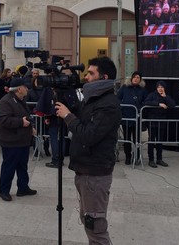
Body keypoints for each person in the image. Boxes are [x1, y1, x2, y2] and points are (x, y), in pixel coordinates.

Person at [55, 56, 122, 245]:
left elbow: (88, 135)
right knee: (88, 222)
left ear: (104, 77)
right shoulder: (92, 99)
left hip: (95, 174)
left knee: (95, 227)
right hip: (85, 170)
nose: (87, 77)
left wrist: (68, 116)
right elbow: (82, 121)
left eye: (91, 73)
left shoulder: (108, 104)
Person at [0, 77, 37, 202]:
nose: (27, 90)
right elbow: (3, 120)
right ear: (19, 89)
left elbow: (26, 116)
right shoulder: (6, 101)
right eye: (25, 87)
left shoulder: (20, 100)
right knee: (9, 167)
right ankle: (4, 191)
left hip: (23, 140)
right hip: (11, 141)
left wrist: (31, 127)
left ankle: (23, 187)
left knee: (22, 166)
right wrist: (21, 122)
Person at [143, 81, 176, 168]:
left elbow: (172, 104)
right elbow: (146, 102)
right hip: (152, 121)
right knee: (151, 141)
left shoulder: (166, 96)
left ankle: (159, 159)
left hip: (161, 121)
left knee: (159, 141)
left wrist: (165, 97)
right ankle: (151, 160)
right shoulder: (152, 95)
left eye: (162, 87)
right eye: (158, 87)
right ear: (156, 88)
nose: (160, 89)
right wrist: (158, 104)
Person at [117, 71, 147, 165]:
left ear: (140, 79)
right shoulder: (124, 88)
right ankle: (128, 157)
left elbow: (146, 101)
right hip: (126, 117)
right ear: (131, 78)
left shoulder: (142, 90)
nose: (136, 78)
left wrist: (140, 108)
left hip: (137, 118)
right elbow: (118, 98)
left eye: (138, 77)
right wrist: (121, 107)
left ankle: (137, 156)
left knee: (137, 139)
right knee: (127, 139)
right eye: (134, 77)